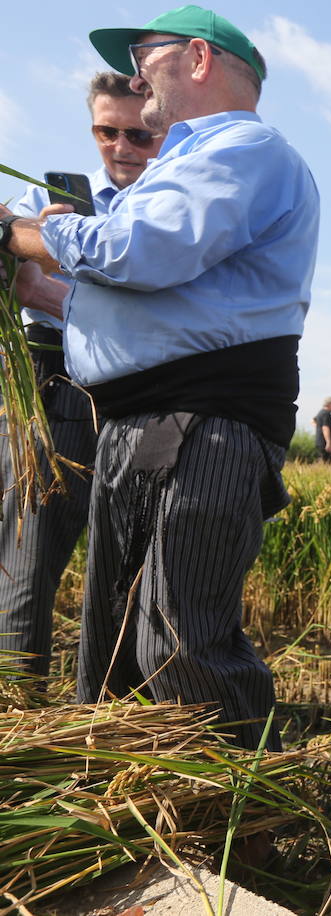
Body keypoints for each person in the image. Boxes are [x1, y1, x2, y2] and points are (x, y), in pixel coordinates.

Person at [0, 4, 320, 751]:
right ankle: (144, 825)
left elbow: (146, 252)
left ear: (200, 60)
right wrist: (42, 283)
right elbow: (144, 299)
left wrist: (30, 233)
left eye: (147, 53)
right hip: (139, 423)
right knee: (114, 648)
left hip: (200, 423)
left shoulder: (243, 149)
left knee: (179, 641)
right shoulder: (180, 165)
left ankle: (250, 813)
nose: (137, 69)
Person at [0, 72, 161, 677]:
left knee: (57, 552)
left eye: (138, 136)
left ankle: (38, 702)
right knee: (22, 547)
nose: (120, 147)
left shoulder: (161, 213)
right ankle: (19, 703)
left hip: (102, 392)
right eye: (105, 131)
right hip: (45, 380)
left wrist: (41, 287)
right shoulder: (60, 209)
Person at [312, 396, 331, 462]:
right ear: (329, 403)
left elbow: (313, 420)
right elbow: (325, 428)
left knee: (323, 461)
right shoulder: (325, 414)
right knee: (327, 463)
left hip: (321, 443)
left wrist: (318, 428)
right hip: (325, 444)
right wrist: (328, 443)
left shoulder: (321, 413)